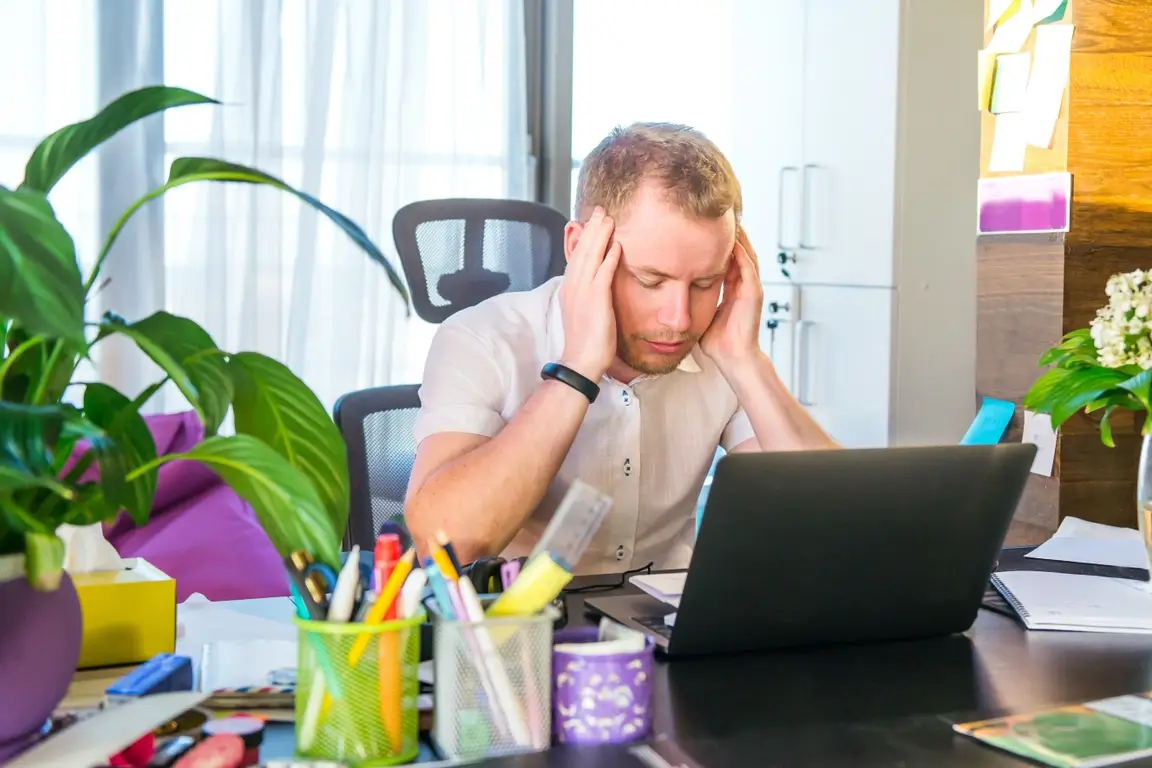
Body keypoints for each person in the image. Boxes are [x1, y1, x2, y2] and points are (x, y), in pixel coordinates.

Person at [404, 122, 838, 573]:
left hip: (669, 631)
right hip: (524, 634)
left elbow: (837, 526)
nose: (679, 319)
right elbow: (448, 544)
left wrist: (745, 362)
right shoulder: (481, 339)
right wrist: (577, 370)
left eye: (705, 283)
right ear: (580, 247)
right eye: (651, 280)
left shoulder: (718, 350)